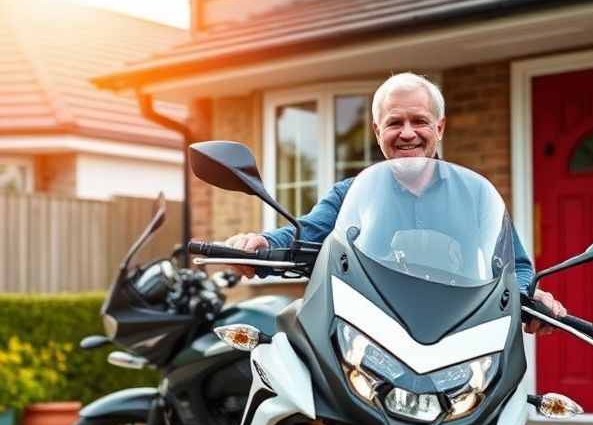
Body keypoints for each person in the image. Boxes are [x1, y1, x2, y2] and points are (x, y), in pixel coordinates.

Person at [223, 72, 566, 334]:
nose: (407, 133)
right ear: (376, 131)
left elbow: (516, 266)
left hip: (456, 336)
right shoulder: (350, 194)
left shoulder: (475, 195)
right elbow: (305, 234)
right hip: (367, 337)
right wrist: (262, 244)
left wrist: (528, 298)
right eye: (394, 123)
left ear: (440, 128)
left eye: (419, 121)